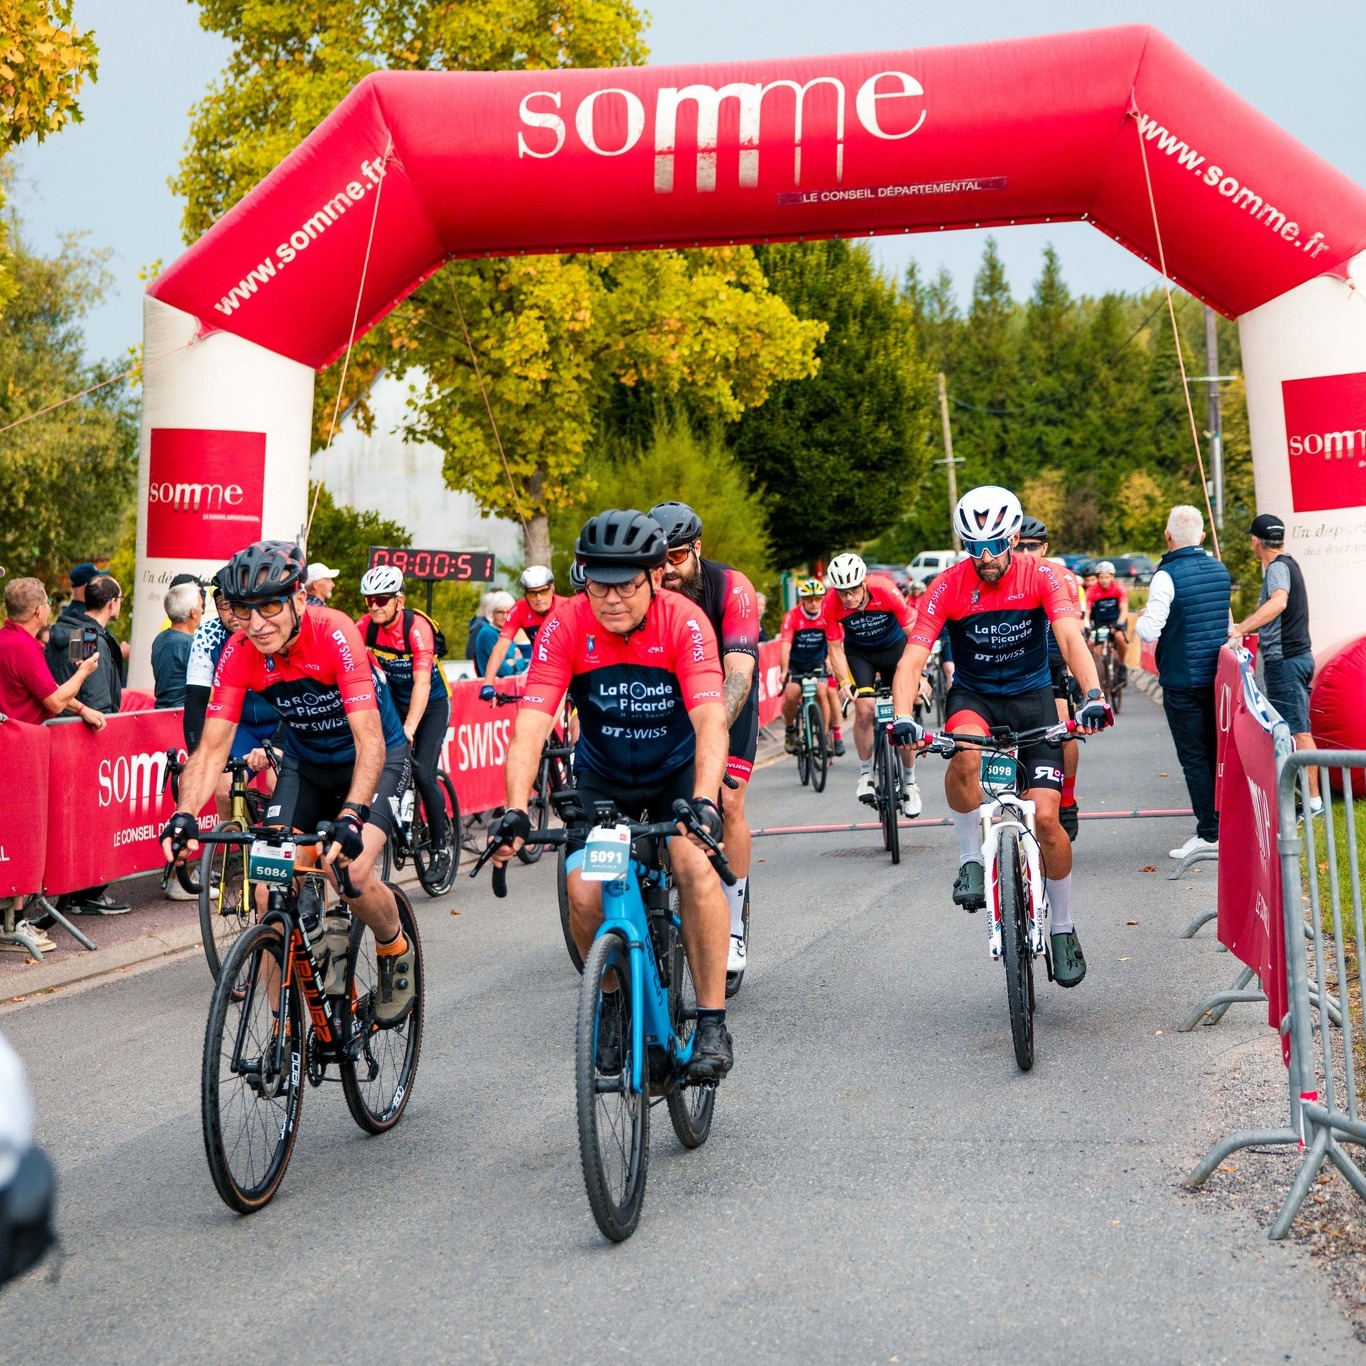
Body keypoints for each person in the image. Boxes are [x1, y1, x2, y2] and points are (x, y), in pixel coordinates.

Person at [485, 510, 735, 1079]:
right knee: (583, 891)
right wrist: (516, 809)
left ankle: (714, 1021)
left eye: (624, 584)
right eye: (598, 583)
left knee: (693, 867)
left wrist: (703, 801)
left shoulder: (685, 622)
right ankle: (617, 1003)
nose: (611, 598)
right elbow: (531, 723)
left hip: (676, 773)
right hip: (603, 780)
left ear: (653, 576)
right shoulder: (566, 624)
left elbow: (711, 722)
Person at [161, 541, 416, 1026]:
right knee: (267, 891)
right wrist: (185, 815)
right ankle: (286, 1031)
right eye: (243, 610)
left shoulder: (335, 632)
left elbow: (370, 740)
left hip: (375, 759)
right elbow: (212, 748)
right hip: (306, 764)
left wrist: (352, 814)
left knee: (354, 874)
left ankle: (393, 944)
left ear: (300, 599)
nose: (256, 624)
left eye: (271, 606)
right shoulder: (239, 653)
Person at [896, 486, 1112, 987]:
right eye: (973, 547)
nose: (986, 558)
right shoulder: (947, 585)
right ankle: (971, 860)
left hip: (1032, 698)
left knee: (1048, 819)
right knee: (964, 760)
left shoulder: (1041, 576)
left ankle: (1062, 927)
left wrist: (1094, 694)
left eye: (995, 545)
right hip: (975, 698)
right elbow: (912, 659)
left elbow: (1068, 637)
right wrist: (904, 715)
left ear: (1015, 537)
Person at [649, 501, 760, 984]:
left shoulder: (731, 588)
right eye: (657, 561)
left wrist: (711, 730)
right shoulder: (642, 592)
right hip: (670, 701)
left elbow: (739, 672)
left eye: (676, 558)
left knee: (728, 803)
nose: (666, 572)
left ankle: (732, 924)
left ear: (697, 549)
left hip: (726, 700)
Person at [2, 578, 127, 916]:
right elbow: (55, 700)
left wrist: (84, 709)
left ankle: (15, 915)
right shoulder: (24, 648)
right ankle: (14, 920)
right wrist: (85, 671)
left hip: (23, 746)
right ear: (40, 611)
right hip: (22, 751)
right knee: (23, 835)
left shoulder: (11, 640)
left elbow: (45, 690)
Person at [1136, 506, 1234, 857]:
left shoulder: (1166, 575)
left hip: (1182, 679)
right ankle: (1222, 826)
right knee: (1214, 755)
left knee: (1193, 758)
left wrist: (1139, 621)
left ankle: (1209, 833)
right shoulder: (1220, 571)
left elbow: (1151, 629)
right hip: (1218, 679)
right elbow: (1224, 625)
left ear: (1167, 536)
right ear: (1203, 537)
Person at [357, 564, 453, 877]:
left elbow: (422, 684)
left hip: (432, 704)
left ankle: (440, 846)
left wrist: (410, 728)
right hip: (395, 702)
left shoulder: (416, 628)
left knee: (424, 772)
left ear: (400, 600)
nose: (374, 606)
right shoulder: (366, 627)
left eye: (381, 599)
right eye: (369, 600)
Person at [1230, 512, 1320, 815]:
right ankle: (1301, 799)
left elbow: (1279, 601)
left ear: (1256, 541)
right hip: (1294, 658)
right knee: (1292, 729)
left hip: (1287, 661)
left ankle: (1314, 803)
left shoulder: (1278, 569)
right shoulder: (1289, 563)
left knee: (1297, 730)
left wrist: (1241, 628)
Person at [821, 552, 923, 817]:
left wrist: (919, 675)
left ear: (864, 583)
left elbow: (912, 633)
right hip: (860, 655)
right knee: (864, 709)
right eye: (842, 592)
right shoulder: (831, 603)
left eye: (852, 591)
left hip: (894, 650)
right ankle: (866, 774)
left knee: (903, 714)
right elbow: (835, 648)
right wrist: (843, 681)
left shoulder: (885, 589)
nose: (848, 598)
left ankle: (910, 782)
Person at [1015, 518, 1084, 841]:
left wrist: (1078, 676)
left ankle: (1067, 801)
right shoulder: (1006, 576)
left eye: (1033, 546)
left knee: (1061, 727)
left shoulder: (1064, 578)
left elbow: (1074, 634)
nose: (1025, 552)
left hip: (1054, 658)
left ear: (1045, 548)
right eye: (1019, 546)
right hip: (1016, 662)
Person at [779, 578, 842, 756]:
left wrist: (830, 660)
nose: (814, 603)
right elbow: (785, 646)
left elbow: (833, 642)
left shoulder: (826, 614)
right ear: (803, 600)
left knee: (822, 691)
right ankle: (790, 730)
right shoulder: (792, 616)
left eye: (818, 599)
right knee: (791, 695)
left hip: (817, 661)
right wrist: (784, 671)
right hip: (796, 663)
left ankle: (823, 736)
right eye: (810, 600)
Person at [46, 574, 124, 714]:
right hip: (82, 728)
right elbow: (95, 698)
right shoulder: (89, 639)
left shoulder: (77, 632)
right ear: (112, 603)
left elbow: (76, 680)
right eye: (120, 599)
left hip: (63, 721)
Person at [479, 565, 561, 695]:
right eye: (532, 593)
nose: (539, 598)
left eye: (543, 591)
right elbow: (500, 648)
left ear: (553, 589)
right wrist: (488, 683)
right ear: (525, 594)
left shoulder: (566, 607)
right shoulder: (519, 609)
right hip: (546, 671)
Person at [151, 580, 203, 708]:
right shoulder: (190, 645)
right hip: (184, 716)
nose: (203, 610)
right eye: (201, 605)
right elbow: (205, 691)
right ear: (193, 612)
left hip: (160, 714)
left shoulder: (160, 639)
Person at [1085, 561, 1130, 678]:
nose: (1104, 580)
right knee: (1095, 647)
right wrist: (1086, 625)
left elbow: (1124, 609)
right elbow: (1087, 612)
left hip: (1117, 619)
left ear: (1112, 577)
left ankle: (1122, 665)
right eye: (1101, 577)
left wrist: (1119, 624)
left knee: (1120, 638)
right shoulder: (1092, 591)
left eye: (1107, 577)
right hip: (1101, 622)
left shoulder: (1119, 588)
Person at [471, 591, 528, 679]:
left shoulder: (506, 632)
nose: (505, 616)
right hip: (493, 687)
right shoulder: (487, 633)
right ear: (492, 613)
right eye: (500, 612)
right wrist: (516, 660)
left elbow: (523, 664)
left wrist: (513, 662)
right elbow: (503, 671)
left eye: (509, 612)